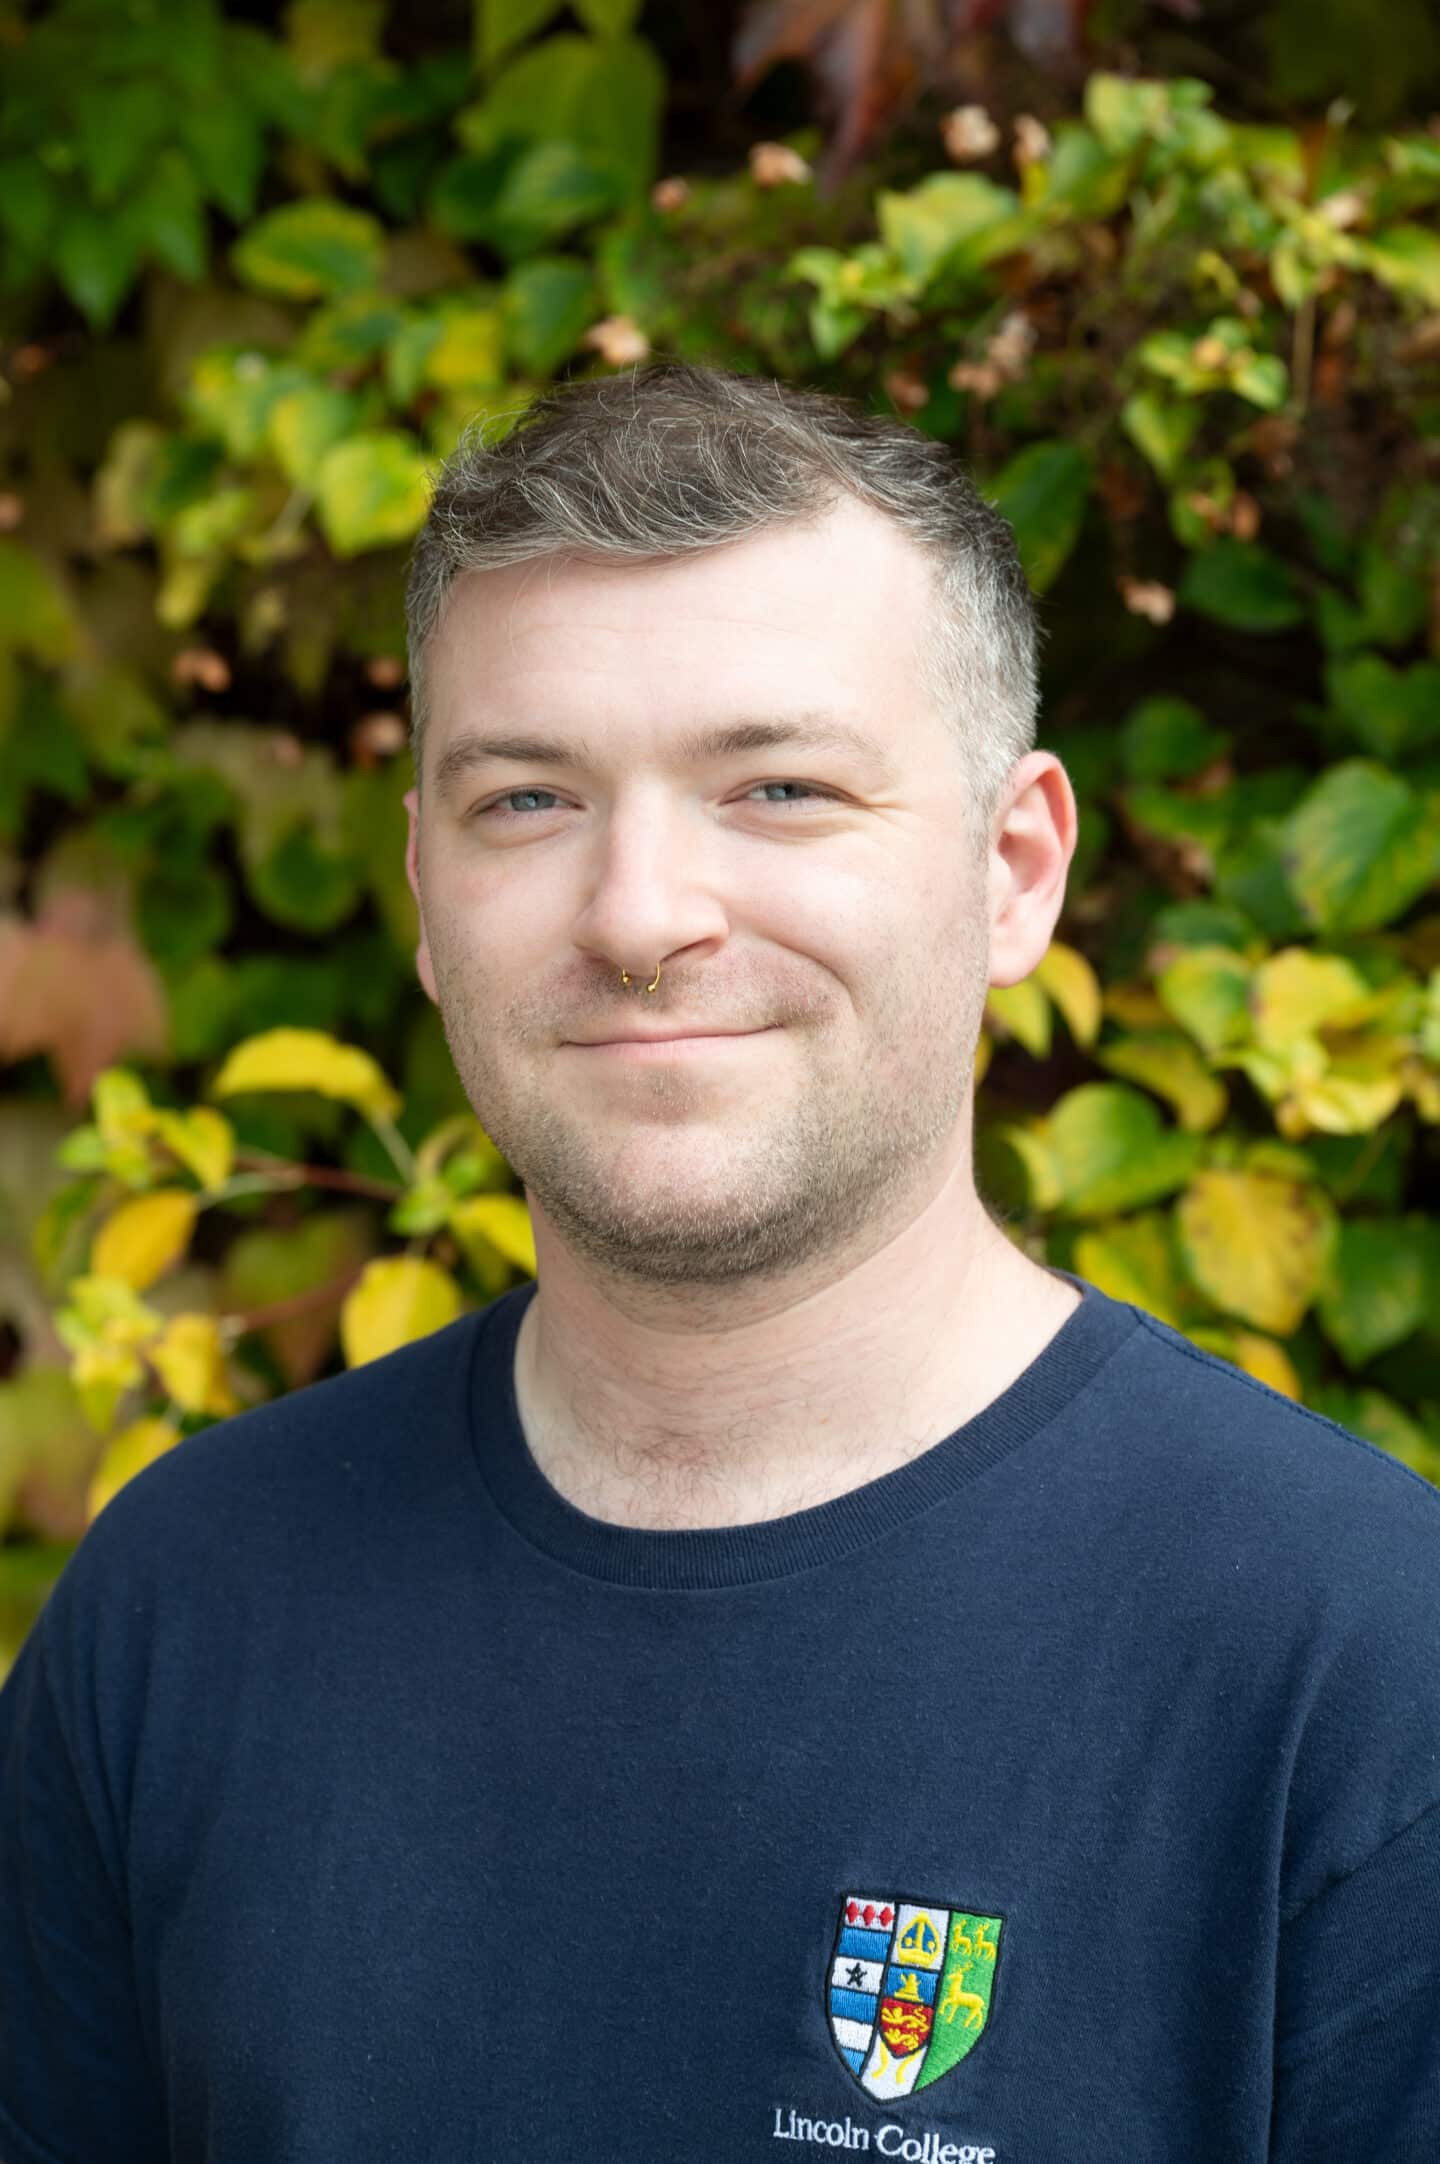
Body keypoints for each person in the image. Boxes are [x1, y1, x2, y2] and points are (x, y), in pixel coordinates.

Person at [2, 363, 1437, 2164]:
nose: (640, 914)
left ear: (1015, 871)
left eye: (775, 786)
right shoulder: (176, 1612)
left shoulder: (1366, 1676)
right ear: (428, 897)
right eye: (528, 801)